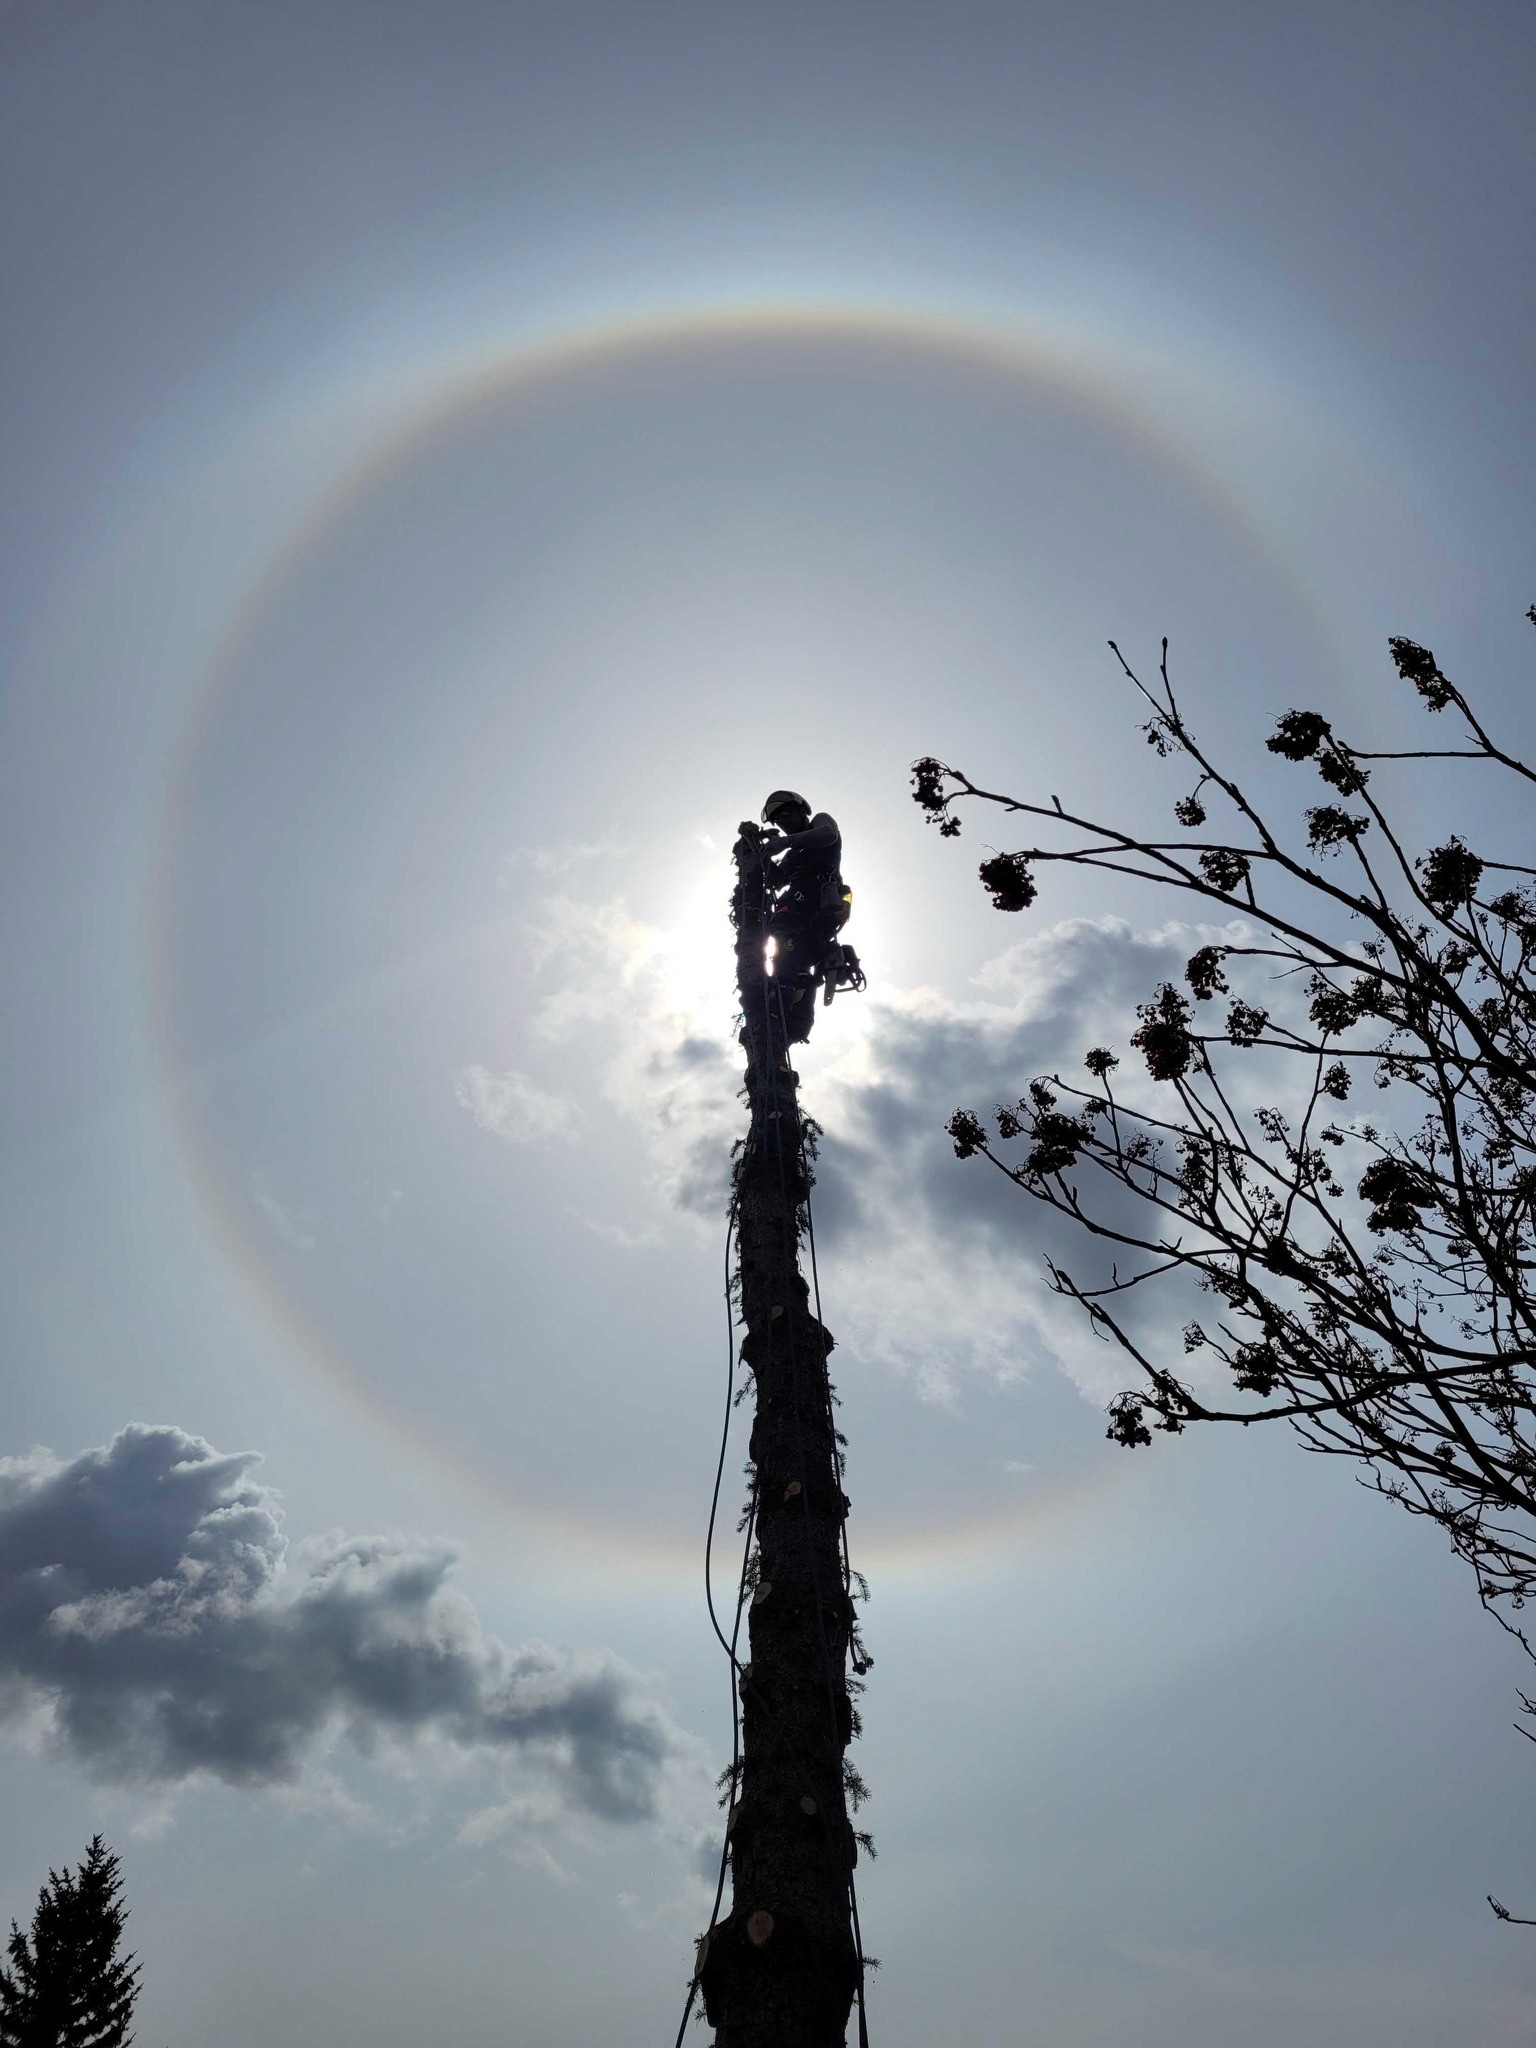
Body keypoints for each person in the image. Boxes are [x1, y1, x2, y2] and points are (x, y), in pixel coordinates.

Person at [753, 790, 863, 1041]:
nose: (783, 822)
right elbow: (774, 880)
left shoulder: (819, 825)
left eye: (786, 814)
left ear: (802, 809)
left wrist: (785, 842)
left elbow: (828, 835)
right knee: (802, 961)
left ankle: (780, 998)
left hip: (816, 901)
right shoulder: (793, 855)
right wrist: (760, 854)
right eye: (777, 820)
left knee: (783, 928)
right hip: (807, 911)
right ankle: (796, 1024)